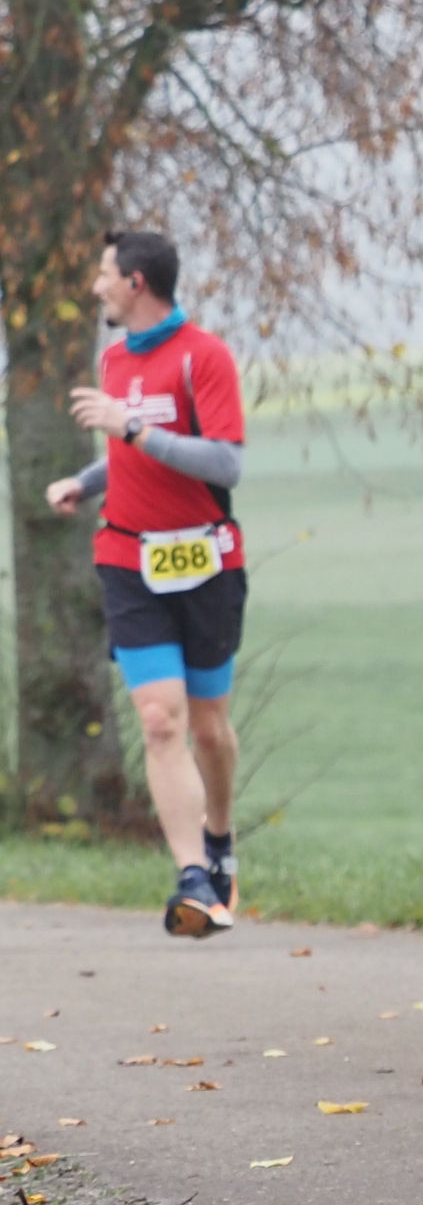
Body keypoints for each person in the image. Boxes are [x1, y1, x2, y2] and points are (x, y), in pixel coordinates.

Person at [42, 229, 250, 939]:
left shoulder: (203, 357)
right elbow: (130, 455)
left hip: (206, 563)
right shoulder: (112, 359)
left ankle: (219, 839)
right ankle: (193, 878)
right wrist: (85, 480)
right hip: (129, 561)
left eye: (104, 273)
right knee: (160, 720)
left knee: (210, 728)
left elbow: (223, 463)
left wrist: (130, 428)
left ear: (135, 283)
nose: (95, 285)